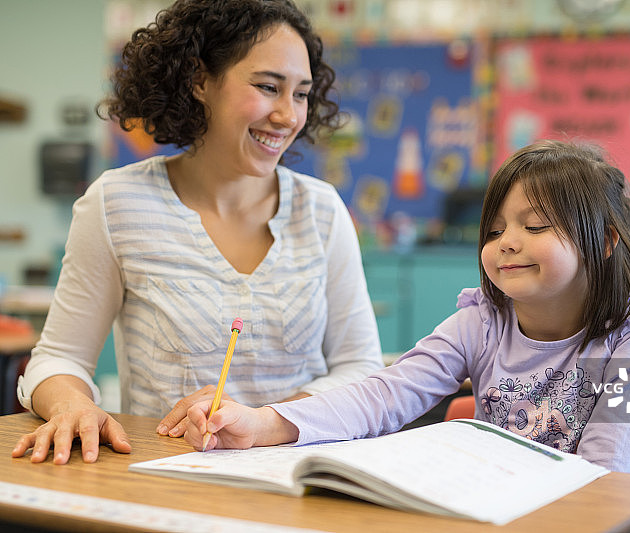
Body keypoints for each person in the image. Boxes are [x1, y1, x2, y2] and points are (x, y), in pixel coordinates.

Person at [183, 141, 630, 533]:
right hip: (495, 518)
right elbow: (385, 394)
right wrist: (264, 423)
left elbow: (614, 460)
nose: (507, 241)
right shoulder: (481, 322)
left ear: (607, 241)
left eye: (536, 225)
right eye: (495, 228)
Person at [12, 0, 383, 465]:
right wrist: (72, 404)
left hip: (303, 476)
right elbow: (59, 357)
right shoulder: (117, 203)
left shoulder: (322, 210)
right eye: (269, 87)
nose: (289, 115)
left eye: (302, 94)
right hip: (167, 478)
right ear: (200, 81)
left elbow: (361, 369)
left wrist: (266, 421)